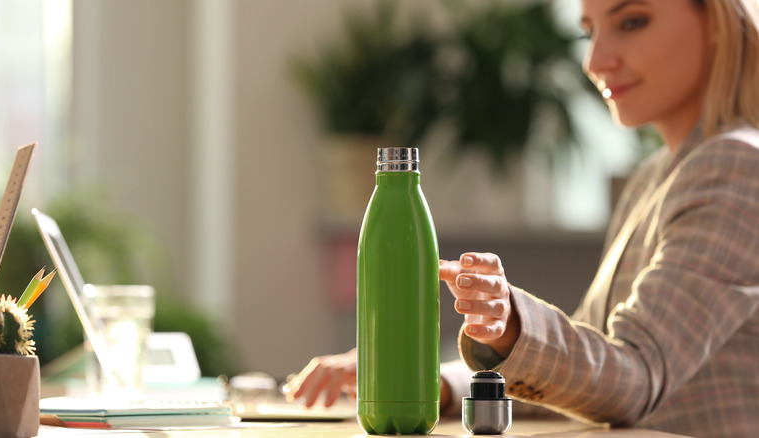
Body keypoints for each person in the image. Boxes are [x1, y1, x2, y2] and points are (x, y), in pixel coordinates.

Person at [286, 0, 759, 436]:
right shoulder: (655, 177)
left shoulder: (735, 167)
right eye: (589, 33)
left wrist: (512, 321)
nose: (596, 62)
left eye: (632, 21)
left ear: (716, 22)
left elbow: (631, 379)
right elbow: (583, 383)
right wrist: (428, 382)